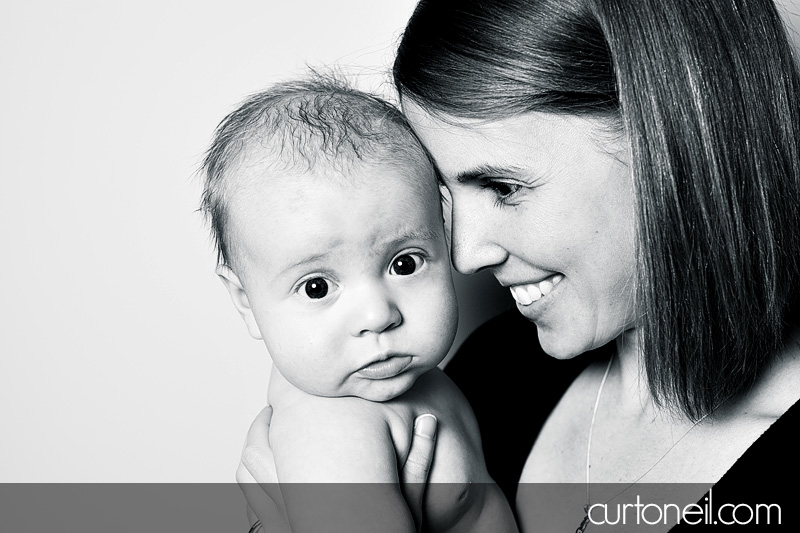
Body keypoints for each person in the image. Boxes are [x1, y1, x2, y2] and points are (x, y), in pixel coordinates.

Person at [239, 0, 800, 531]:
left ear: (673, 141)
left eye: (503, 187)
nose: (464, 254)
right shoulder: (488, 373)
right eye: (448, 197)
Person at [201, 74, 516, 533]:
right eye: (316, 287)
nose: (377, 316)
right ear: (245, 302)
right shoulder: (329, 429)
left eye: (404, 264)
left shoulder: (416, 381)